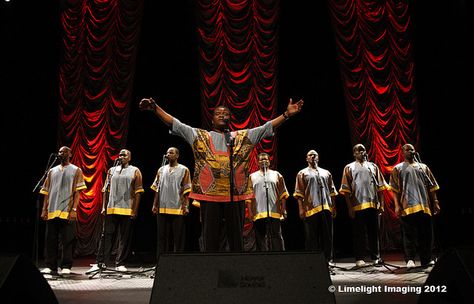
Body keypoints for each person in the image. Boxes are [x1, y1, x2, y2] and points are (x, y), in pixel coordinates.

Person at [139, 97, 303, 252]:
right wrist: (155, 108)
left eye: (226, 114)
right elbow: (176, 124)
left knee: (236, 239)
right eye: (219, 113)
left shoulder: (242, 137)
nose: (222, 115)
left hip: (235, 194)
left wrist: (286, 115)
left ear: (230, 119)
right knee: (210, 238)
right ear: (212, 119)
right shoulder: (200, 136)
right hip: (210, 195)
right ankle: (211, 268)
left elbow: (267, 128)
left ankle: (235, 268)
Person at [86, 149, 144, 274]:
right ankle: (100, 262)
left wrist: (135, 210)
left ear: (129, 157)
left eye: (124, 155)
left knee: (123, 237)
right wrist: (103, 207)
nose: (121, 156)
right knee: (105, 235)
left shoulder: (135, 170)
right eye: (120, 155)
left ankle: (120, 263)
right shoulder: (111, 171)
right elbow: (105, 190)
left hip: (127, 208)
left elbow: (138, 192)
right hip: (111, 208)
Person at [389, 143, 440, 269]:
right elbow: (394, 189)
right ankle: (410, 259)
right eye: (407, 149)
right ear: (402, 152)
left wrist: (436, 202)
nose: (410, 151)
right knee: (409, 234)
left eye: (412, 149)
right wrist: (397, 205)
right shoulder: (398, 168)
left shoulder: (423, 167)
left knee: (426, 235)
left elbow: (432, 186)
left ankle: (426, 260)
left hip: (424, 205)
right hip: (407, 206)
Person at [39, 146, 87, 275]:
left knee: (67, 240)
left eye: (64, 152)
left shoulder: (76, 170)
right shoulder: (52, 171)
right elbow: (46, 192)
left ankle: (66, 265)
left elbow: (78, 192)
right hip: (52, 209)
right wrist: (44, 209)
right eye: (60, 152)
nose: (61, 153)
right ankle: (50, 266)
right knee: (50, 240)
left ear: (70, 154)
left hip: (67, 210)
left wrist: (74, 209)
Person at [339, 143, 388, 268]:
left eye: (363, 150)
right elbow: (346, 190)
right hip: (357, 205)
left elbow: (381, 187)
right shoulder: (349, 167)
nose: (362, 153)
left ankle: (375, 256)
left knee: (374, 232)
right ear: (354, 153)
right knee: (359, 233)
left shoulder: (373, 167)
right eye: (359, 151)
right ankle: (360, 258)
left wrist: (381, 205)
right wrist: (350, 207)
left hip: (372, 204)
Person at [294, 150, 337, 265]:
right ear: (307, 158)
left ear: (318, 158)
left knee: (327, 235)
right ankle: (312, 260)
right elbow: (299, 193)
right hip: (310, 209)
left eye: (315, 155)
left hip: (326, 207)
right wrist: (301, 209)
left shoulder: (325, 173)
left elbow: (332, 191)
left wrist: (333, 206)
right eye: (310, 155)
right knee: (311, 237)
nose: (313, 156)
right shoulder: (302, 173)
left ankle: (328, 259)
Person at [151, 147, 192, 253]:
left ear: (177, 155)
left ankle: (177, 262)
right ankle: (161, 261)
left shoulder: (184, 169)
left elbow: (187, 190)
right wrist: (154, 205)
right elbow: (157, 189)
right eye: (167, 152)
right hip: (162, 208)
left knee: (178, 238)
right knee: (162, 238)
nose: (168, 154)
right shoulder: (161, 169)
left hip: (177, 208)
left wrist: (186, 206)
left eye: (171, 152)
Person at [247, 152, 289, 251]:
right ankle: (263, 259)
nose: (264, 161)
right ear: (258, 162)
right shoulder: (252, 176)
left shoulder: (276, 174)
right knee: (260, 237)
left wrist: (283, 209)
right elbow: (249, 196)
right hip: (258, 212)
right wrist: (250, 212)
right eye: (261, 160)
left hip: (274, 211)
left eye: (265, 159)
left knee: (276, 235)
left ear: (269, 162)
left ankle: (279, 257)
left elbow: (283, 194)